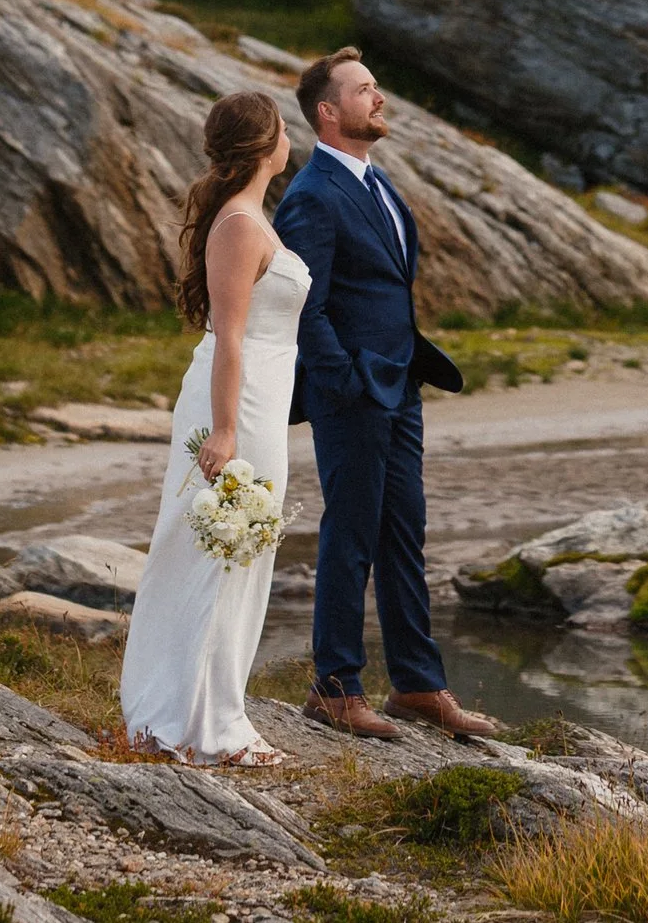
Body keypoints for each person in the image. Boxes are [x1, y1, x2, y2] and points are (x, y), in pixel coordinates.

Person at [275, 45, 496, 739]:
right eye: (364, 89)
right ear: (327, 110)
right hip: (355, 392)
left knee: (404, 534)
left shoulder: (379, 183)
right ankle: (334, 688)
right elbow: (302, 304)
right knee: (350, 535)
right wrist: (340, 381)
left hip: (400, 385)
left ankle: (420, 685)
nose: (379, 98)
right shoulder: (312, 195)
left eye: (376, 87)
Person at [120, 86, 305, 758]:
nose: (291, 138)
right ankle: (186, 717)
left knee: (244, 553)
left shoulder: (254, 217)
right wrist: (224, 431)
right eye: (284, 128)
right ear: (264, 143)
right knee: (210, 552)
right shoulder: (238, 226)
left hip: (263, 405)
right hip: (235, 405)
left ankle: (221, 709)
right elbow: (228, 334)